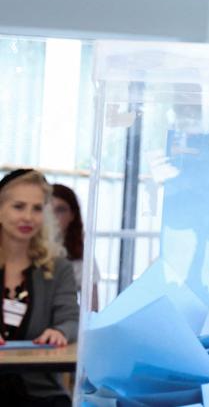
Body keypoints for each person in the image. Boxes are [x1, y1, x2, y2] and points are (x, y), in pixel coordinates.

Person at [0, 169, 79, 407]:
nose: (28, 217)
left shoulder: (59, 268)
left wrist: (61, 332)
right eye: (18, 206)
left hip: (39, 392)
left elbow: (71, 319)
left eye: (37, 209)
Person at [49, 184, 98, 312]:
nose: (52, 216)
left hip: (63, 324)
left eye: (60, 210)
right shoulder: (23, 247)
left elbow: (91, 309)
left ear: (72, 215)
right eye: (47, 209)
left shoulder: (82, 255)